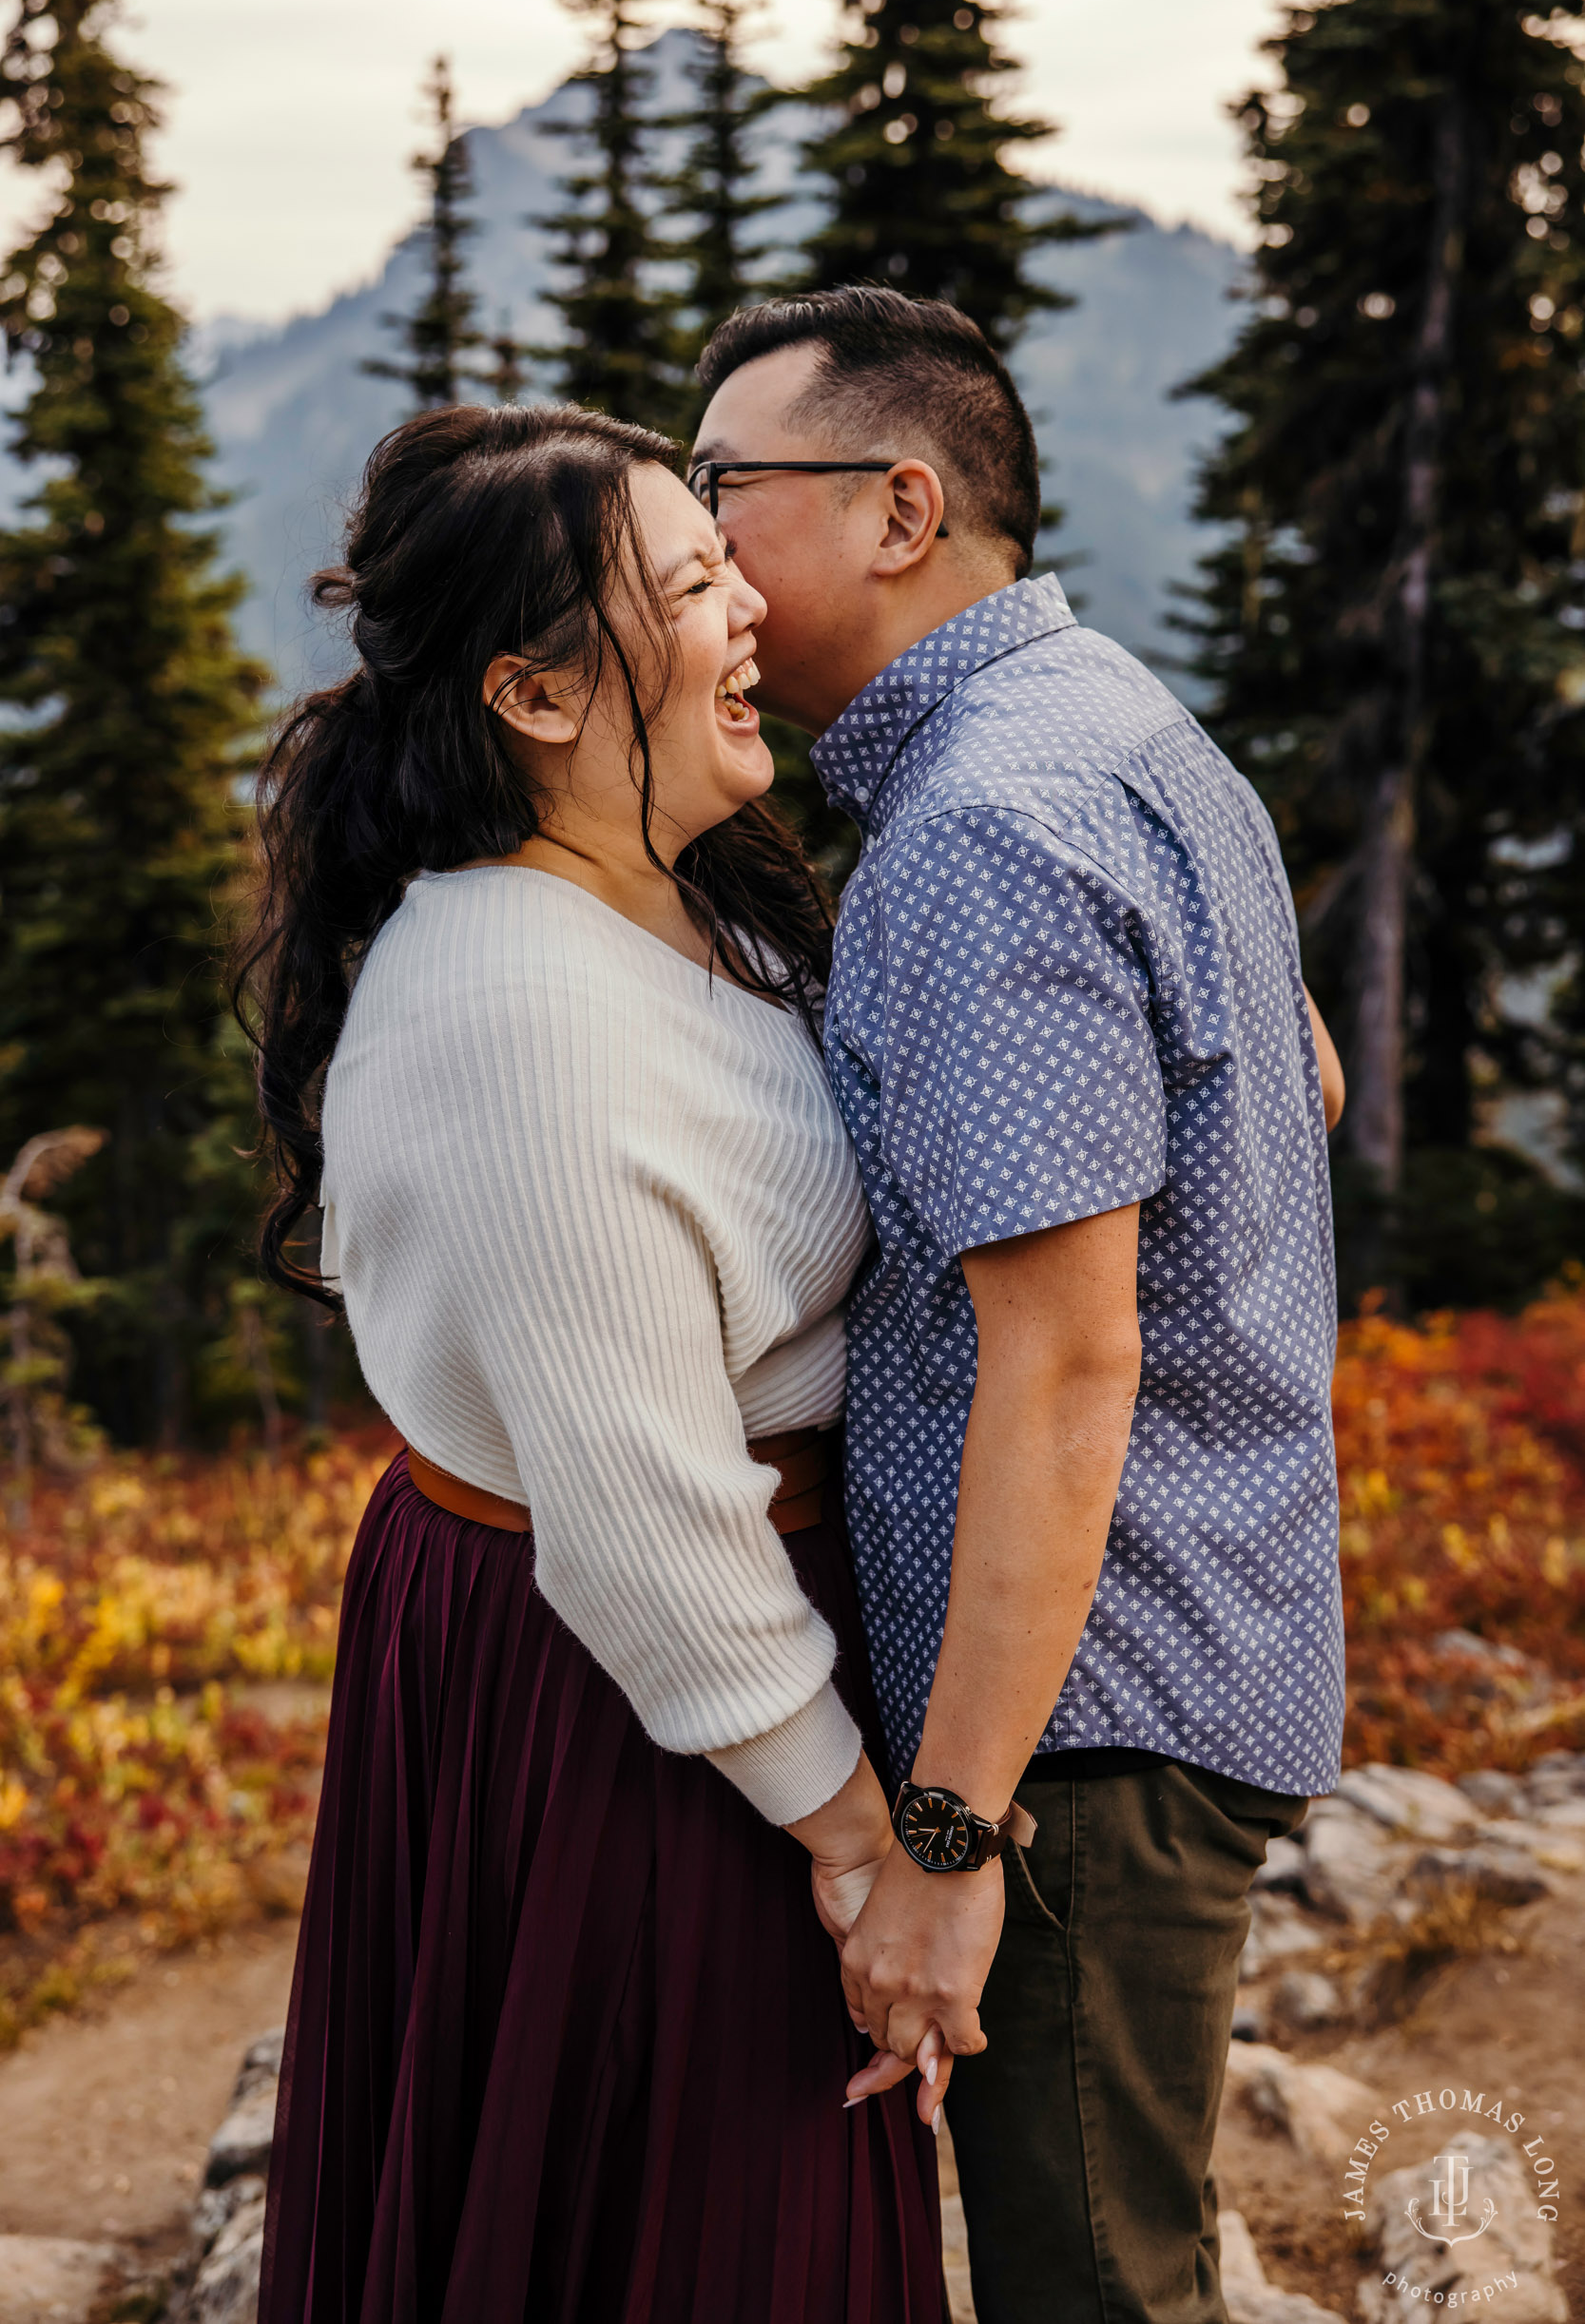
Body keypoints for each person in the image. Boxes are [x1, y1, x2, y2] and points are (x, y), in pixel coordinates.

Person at [237, 402, 947, 2323]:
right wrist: (863, 1836)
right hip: (626, 1698)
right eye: (689, 580)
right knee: (702, 2223)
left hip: (671, 1662)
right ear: (537, 694)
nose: (749, 613)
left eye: (727, 560)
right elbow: (639, 1516)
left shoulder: (692, 897)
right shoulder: (517, 1008)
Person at [688, 286, 1348, 2324]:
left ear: (901, 507)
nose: (698, 545)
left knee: (1094, 2288)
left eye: (725, 492)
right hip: (1178, 1638)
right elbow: (1301, 1073)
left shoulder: (976, 823)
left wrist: (954, 1830)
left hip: (1082, 1714)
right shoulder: (1115, 720)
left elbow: (1064, 1353)